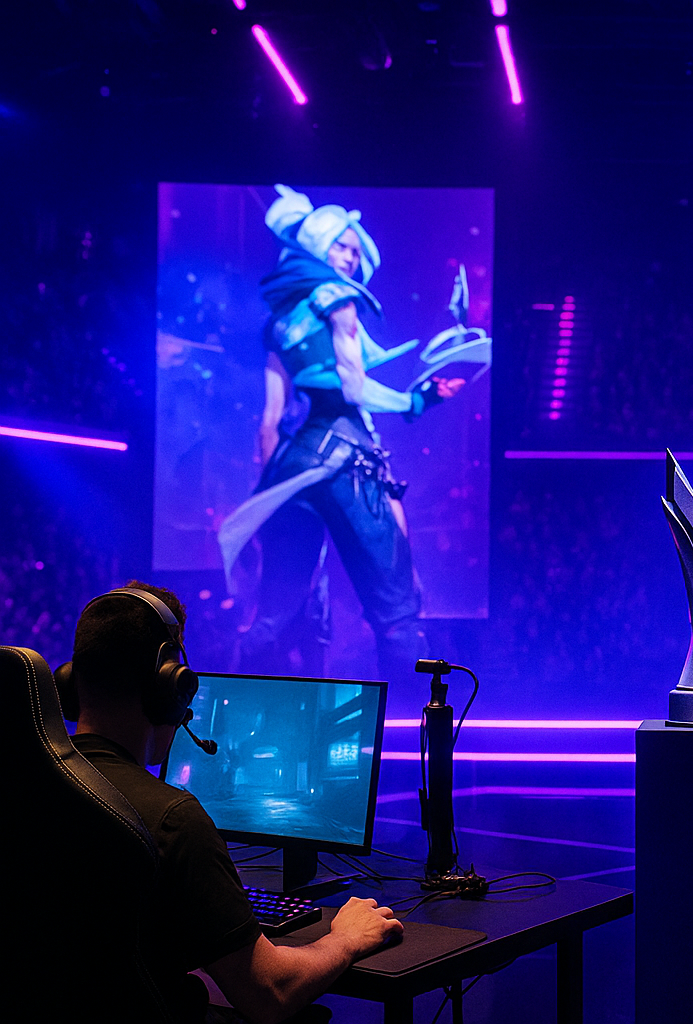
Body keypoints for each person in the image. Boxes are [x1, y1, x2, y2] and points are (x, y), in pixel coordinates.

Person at [67, 582, 403, 1024]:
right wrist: (347, 937)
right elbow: (269, 993)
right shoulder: (173, 821)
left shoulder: (18, 785)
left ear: (71, 682)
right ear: (170, 688)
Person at [219, 185, 462, 681]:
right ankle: (406, 722)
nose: (350, 258)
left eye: (355, 250)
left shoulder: (281, 322)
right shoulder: (340, 299)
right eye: (342, 247)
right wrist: (416, 402)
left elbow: (269, 423)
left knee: (274, 614)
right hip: (347, 456)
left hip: (295, 465)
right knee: (397, 608)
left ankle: (224, 706)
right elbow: (353, 386)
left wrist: (266, 495)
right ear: (318, 244)